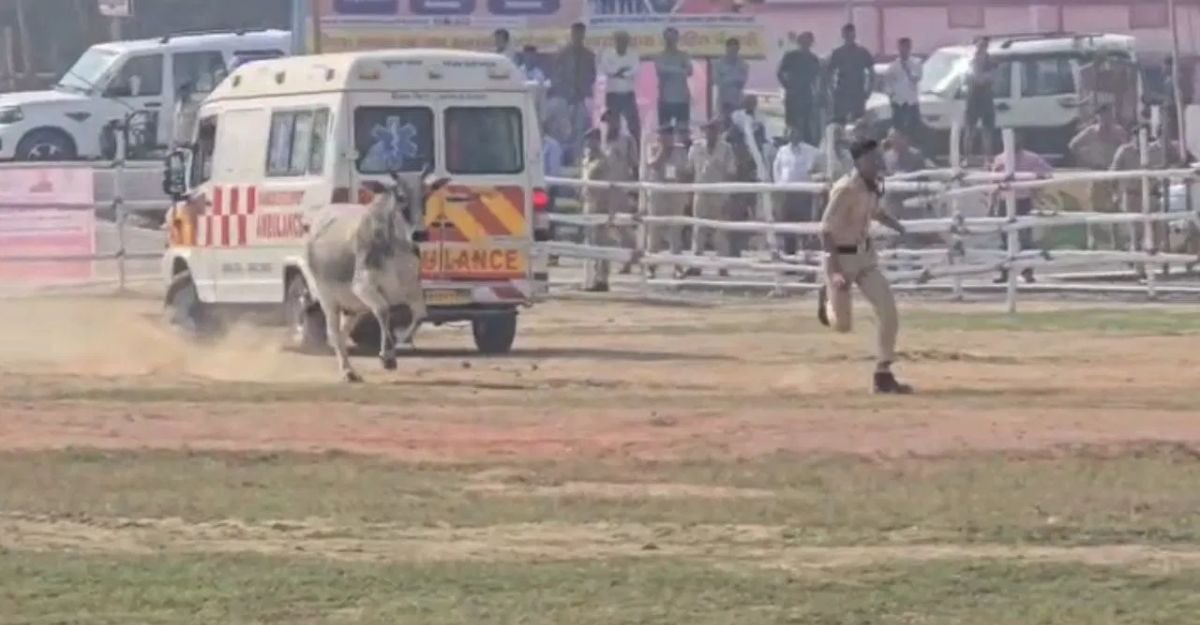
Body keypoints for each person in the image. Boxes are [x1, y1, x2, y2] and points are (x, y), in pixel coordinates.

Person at [815, 138, 913, 395]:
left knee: (888, 310)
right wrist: (834, 272)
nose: (877, 163)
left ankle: (883, 373)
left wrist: (897, 225)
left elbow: (874, 211)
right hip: (841, 258)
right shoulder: (845, 189)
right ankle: (827, 302)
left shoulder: (872, 187)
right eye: (872, 159)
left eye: (878, 157)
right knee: (842, 324)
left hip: (865, 258)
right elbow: (825, 230)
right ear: (858, 161)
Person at [990, 133, 1053, 283]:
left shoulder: (1031, 158)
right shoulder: (1000, 159)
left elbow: (1047, 172)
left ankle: (1027, 271)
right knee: (1005, 239)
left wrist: (1035, 184)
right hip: (1005, 201)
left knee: (1025, 239)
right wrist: (992, 204)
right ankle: (1005, 271)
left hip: (1023, 201)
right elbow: (994, 182)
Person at [687, 119, 737, 271]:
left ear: (718, 131)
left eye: (713, 129)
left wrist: (728, 196)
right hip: (700, 193)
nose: (710, 133)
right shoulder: (695, 148)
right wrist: (689, 194)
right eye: (708, 130)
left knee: (721, 230)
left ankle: (723, 265)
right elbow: (689, 171)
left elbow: (731, 173)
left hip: (719, 194)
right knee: (698, 230)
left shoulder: (726, 149)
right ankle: (696, 265)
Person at [644, 123, 691, 278]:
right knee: (654, 233)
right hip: (658, 196)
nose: (666, 138)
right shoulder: (653, 148)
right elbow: (654, 165)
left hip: (675, 195)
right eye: (663, 135)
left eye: (669, 135)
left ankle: (677, 267)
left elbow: (686, 171)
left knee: (675, 233)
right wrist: (663, 150)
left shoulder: (680, 150)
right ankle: (651, 266)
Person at [773, 124, 822, 259]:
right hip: (787, 193)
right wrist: (779, 185)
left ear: (800, 134)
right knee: (788, 226)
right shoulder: (782, 151)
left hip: (803, 193)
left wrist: (814, 178)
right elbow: (776, 169)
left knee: (804, 226)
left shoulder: (811, 151)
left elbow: (820, 165)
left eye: (794, 132)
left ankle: (806, 257)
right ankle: (790, 257)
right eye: (789, 132)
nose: (791, 134)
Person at [551, 22, 598, 166]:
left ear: (583, 35)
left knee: (580, 129)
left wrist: (582, 90)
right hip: (565, 98)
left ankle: (578, 161)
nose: (578, 36)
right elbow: (556, 75)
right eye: (575, 33)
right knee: (563, 130)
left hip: (582, 98)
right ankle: (562, 161)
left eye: (580, 33)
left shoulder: (589, 55)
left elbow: (592, 76)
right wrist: (566, 90)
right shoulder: (563, 54)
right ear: (571, 34)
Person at [777, 31, 822, 145]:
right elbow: (780, 72)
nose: (806, 43)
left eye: (809, 40)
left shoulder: (814, 59)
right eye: (804, 40)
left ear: (811, 43)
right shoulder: (791, 56)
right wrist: (787, 86)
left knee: (806, 123)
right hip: (793, 94)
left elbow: (817, 78)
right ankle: (789, 145)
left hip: (806, 94)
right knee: (791, 123)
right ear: (799, 41)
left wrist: (816, 93)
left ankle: (806, 146)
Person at [826, 23, 875, 124]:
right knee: (840, 123)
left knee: (858, 123)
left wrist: (869, 90)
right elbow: (829, 73)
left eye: (851, 34)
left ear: (854, 35)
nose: (849, 37)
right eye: (847, 34)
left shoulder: (863, 52)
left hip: (858, 93)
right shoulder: (837, 53)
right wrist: (832, 90)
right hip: (842, 94)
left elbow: (872, 73)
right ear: (843, 35)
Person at [600, 31, 642, 147]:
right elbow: (607, 69)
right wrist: (621, 71)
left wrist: (618, 73)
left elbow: (635, 70)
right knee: (613, 126)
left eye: (624, 41)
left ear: (627, 42)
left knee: (634, 126)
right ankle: (610, 152)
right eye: (619, 41)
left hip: (628, 94)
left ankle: (635, 153)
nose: (621, 43)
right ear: (615, 42)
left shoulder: (633, 54)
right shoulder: (608, 54)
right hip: (612, 95)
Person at [963, 37, 996, 163]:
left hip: (986, 99)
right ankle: (967, 157)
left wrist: (980, 76)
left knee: (987, 130)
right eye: (979, 45)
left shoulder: (991, 62)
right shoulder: (969, 61)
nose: (980, 48)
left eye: (983, 46)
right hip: (972, 99)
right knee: (969, 130)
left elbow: (986, 79)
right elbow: (968, 79)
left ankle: (988, 158)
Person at [654, 27, 693, 130]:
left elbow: (689, 71)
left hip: (682, 98)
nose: (670, 41)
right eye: (668, 38)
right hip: (665, 98)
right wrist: (680, 68)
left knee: (683, 131)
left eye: (672, 38)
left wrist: (668, 69)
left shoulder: (684, 55)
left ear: (677, 39)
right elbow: (660, 71)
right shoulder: (660, 56)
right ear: (664, 39)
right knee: (665, 132)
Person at [883, 37, 922, 138]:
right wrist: (890, 93)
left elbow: (916, 79)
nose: (902, 51)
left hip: (911, 102)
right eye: (901, 49)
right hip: (898, 102)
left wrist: (907, 69)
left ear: (909, 48)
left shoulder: (916, 63)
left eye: (905, 48)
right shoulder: (894, 65)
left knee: (913, 130)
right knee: (899, 129)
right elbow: (887, 80)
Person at [713, 37, 749, 120]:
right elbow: (716, 80)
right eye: (731, 49)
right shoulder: (719, 63)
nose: (733, 51)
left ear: (738, 49)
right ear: (726, 49)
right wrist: (734, 79)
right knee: (724, 121)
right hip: (723, 98)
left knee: (737, 121)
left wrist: (727, 78)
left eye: (735, 49)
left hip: (738, 99)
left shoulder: (743, 63)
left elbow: (742, 81)